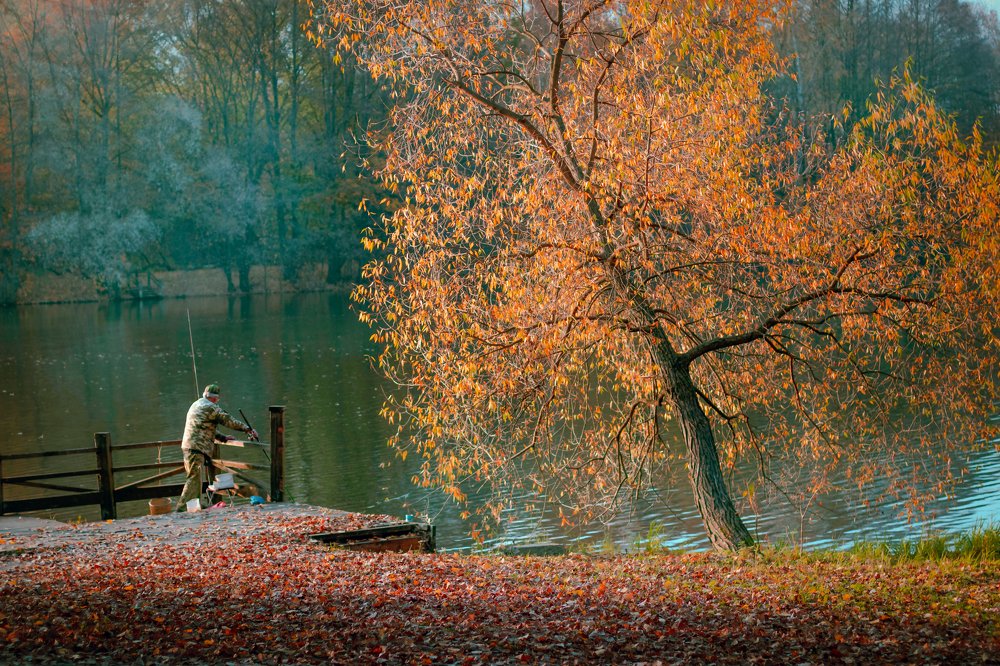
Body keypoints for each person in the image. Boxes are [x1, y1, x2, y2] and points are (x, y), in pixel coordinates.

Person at [175, 383, 257, 511]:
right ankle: (181, 509)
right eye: (217, 399)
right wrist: (247, 429)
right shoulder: (211, 407)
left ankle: (194, 506)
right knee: (193, 478)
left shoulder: (197, 404)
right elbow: (228, 420)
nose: (217, 401)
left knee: (194, 477)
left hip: (189, 445)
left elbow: (204, 427)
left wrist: (223, 438)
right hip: (196, 447)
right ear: (214, 398)